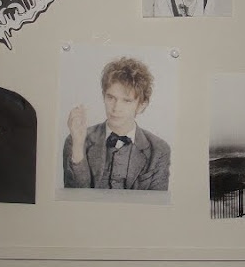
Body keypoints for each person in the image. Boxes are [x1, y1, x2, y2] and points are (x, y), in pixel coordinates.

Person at [63, 57, 170, 190]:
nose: (116, 108)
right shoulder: (75, 140)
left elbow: (157, 201)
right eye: (111, 97)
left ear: (141, 105)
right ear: (103, 96)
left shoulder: (159, 150)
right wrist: (78, 146)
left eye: (127, 101)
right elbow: (74, 196)